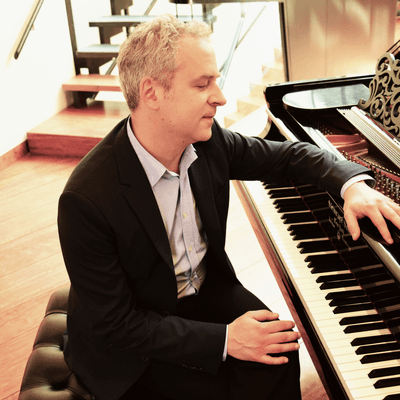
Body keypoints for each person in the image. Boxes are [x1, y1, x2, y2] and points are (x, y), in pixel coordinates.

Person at [58, 14, 400, 400]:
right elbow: (117, 326)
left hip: (203, 291)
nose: (220, 97)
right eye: (203, 84)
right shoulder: (85, 199)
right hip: (132, 343)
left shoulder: (206, 143)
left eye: (216, 80)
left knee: (280, 356)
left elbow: (287, 157)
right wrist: (225, 339)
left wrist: (351, 183)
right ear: (151, 93)